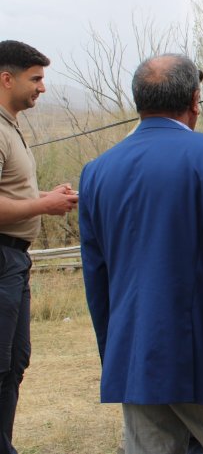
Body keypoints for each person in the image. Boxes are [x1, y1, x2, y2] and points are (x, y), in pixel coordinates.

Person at [79, 54, 203, 454]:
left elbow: (96, 280)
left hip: (135, 357)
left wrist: (118, 357)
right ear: (194, 100)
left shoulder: (97, 170)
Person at [0, 41, 79, 454]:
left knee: (14, 363)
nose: (42, 88)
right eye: (36, 78)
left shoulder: (10, 125)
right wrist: (43, 206)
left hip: (15, 259)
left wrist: (44, 197)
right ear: (6, 78)